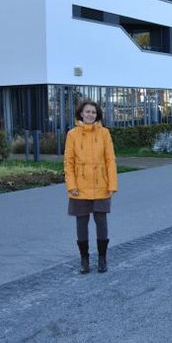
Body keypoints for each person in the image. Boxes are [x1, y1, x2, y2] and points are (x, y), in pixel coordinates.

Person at [64, 99, 118, 274]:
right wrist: (71, 185)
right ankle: (84, 260)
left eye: (93, 112)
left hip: (101, 185)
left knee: (101, 222)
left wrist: (112, 184)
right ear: (81, 113)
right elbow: (68, 162)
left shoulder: (104, 133)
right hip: (79, 186)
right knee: (81, 223)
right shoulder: (72, 134)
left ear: (97, 115)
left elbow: (110, 160)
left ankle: (102, 258)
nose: (90, 115)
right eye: (87, 111)